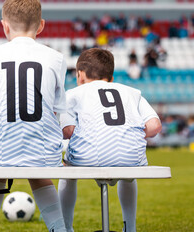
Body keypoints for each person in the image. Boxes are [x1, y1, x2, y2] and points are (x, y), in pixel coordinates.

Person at [0, 0, 67, 231]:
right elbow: (56, 112)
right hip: (44, 155)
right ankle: (59, 228)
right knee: (39, 169)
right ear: (41, 26)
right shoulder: (56, 58)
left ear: (4, 26)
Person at [58, 48, 162, 232]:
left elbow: (68, 131)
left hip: (88, 157)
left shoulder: (73, 93)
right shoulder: (132, 92)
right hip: (131, 157)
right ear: (111, 77)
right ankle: (130, 228)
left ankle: (65, 228)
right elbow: (155, 126)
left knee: (67, 170)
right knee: (128, 173)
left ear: (80, 75)